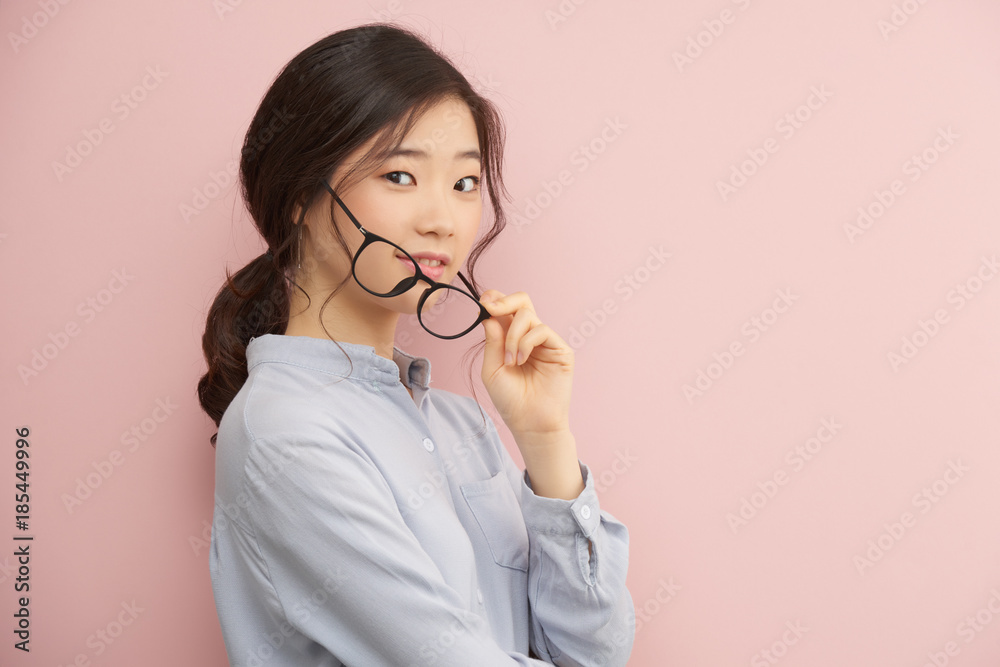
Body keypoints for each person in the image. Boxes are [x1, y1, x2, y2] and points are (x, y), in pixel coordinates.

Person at [197, 22, 634, 666]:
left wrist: (545, 441)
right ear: (299, 197)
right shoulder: (284, 433)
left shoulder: (462, 425)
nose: (443, 220)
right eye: (401, 176)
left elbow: (595, 654)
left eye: (465, 184)